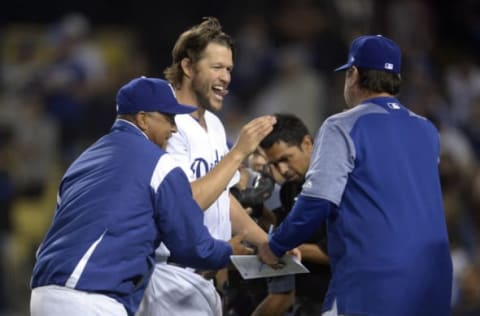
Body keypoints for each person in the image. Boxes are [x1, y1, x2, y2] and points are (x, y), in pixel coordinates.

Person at [257, 35, 453, 316]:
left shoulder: (342, 125)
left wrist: (275, 245)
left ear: (354, 74)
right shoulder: (427, 130)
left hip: (374, 280)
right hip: (434, 280)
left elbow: (317, 202)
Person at [29, 76, 239, 316]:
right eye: (168, 117)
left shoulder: (83, 161)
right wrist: (228, 251)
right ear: (143, 119)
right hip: (90, 297)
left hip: (44, 294)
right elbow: (191, 245)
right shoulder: (158, 163)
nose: (174, 127)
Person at [137, 17, 276, 316]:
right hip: (169, 280)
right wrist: (238, 153)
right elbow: (182, 203)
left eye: (229, 69)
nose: (226, 77)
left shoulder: (213, 124)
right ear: (188, 67)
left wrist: (268, 243)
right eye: (216, 67)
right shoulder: (167, 125)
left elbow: (222, 200)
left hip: (205, 280)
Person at [251, 113, 330, 316]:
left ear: (307, 143)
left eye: (286, 159)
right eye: (275, 163)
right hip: (304, 301)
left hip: (335, 300)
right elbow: (283, 227)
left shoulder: (336, 185)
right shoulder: (290, 188)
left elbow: (341, 251)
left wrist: (285, 246)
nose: (283, 170)